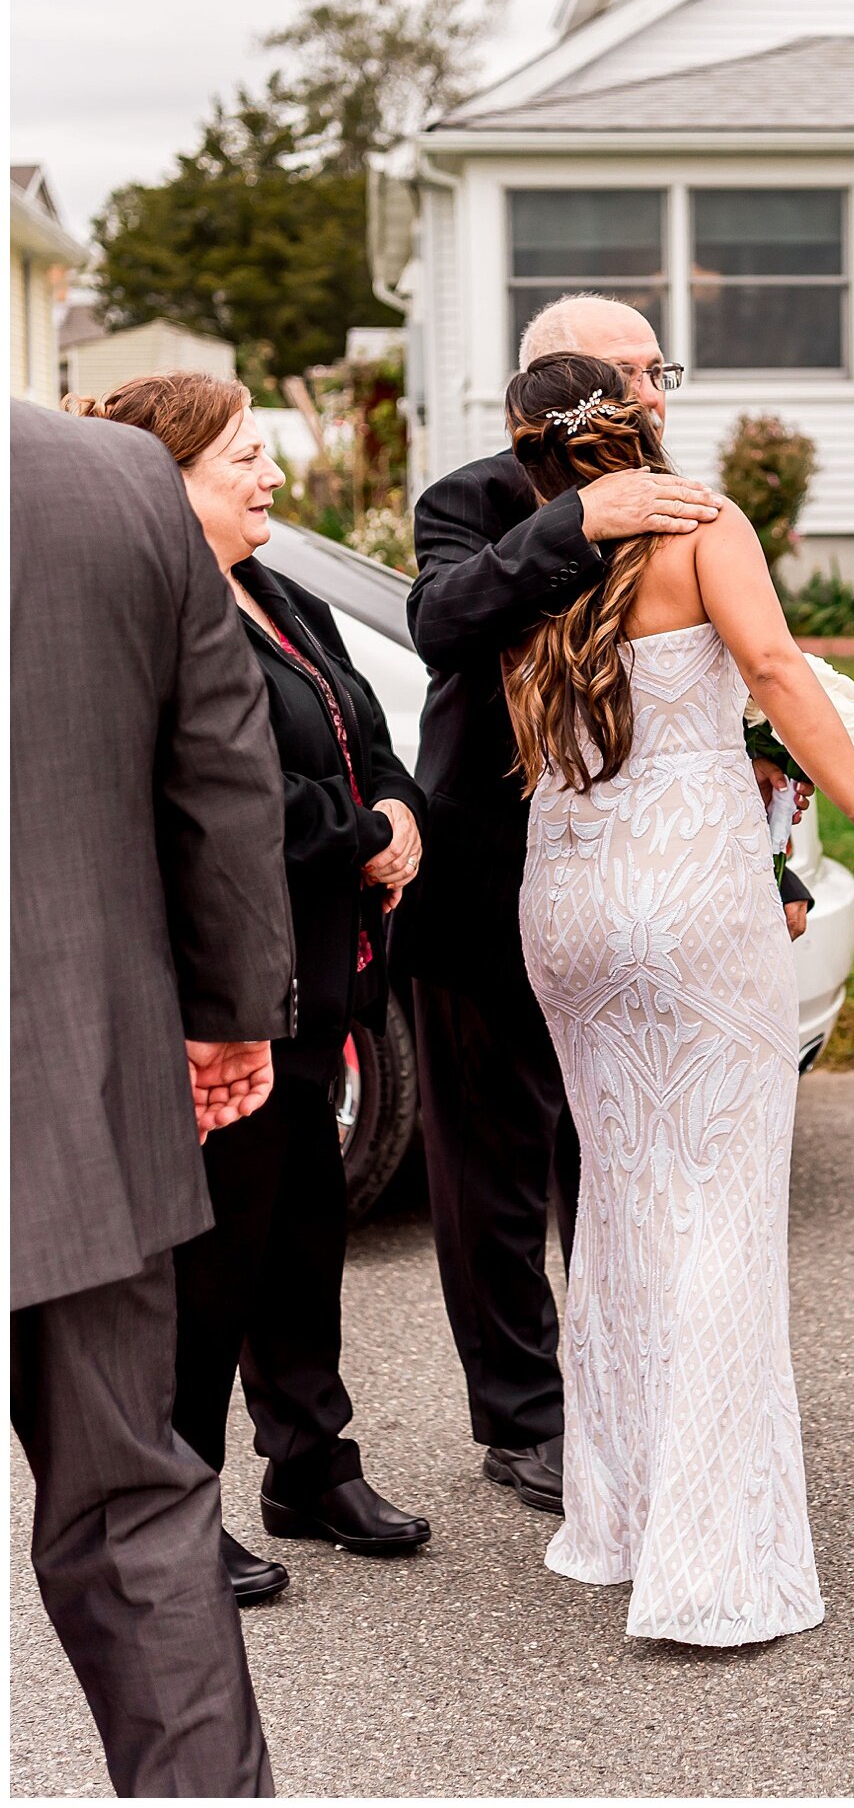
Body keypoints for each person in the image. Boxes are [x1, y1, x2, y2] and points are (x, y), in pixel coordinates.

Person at [501, 351, 854, 1643]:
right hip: (689, 899)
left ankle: (618, 1519)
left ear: (535, 447)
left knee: (619, 1201)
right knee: (723, 1204)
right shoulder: (704, 525)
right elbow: (776, 669)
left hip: (566, 907)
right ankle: (713, 1556)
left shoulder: (533, 560)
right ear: (640, 421)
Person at [401, 294, 813, 1517]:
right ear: (550, 387)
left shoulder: (692, 504)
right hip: (489, 877)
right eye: (625, 376)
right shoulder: (467, 501)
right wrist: (580, 517)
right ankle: (523, 1418)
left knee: (627, 1158)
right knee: (492, 1164)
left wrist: (767, 863)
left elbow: (730, 697)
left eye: (657, 371)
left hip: (657, 885)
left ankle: (638, 1404)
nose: (651, 397)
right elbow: (439, 624)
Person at [65, 375, 431, 1605]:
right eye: (244, 459)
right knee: (210, 1256)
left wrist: (395, 805)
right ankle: (175, 1505)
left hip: (321, 974)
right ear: (165, 484)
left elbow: (363, 727)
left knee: (302, 1231)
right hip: (221, 982)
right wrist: (356, 831)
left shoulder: (274, 593)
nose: (271, 476)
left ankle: (310, 1461)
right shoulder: (156, 613)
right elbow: (214, 793)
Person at [11, 399, 295, 1796]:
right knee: (134, 1506)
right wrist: (231, 1013)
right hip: (74, 1082)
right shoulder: (110, 476)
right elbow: (221, 768)